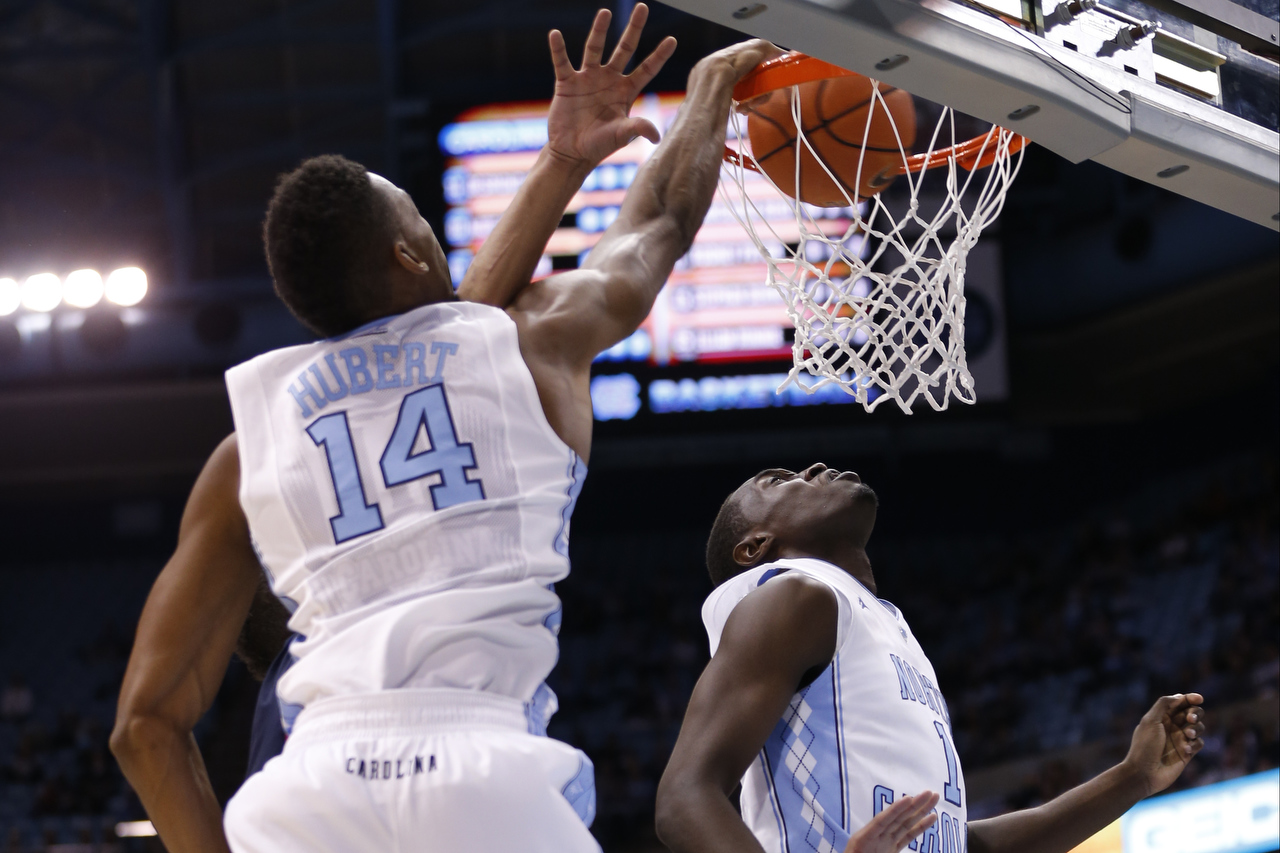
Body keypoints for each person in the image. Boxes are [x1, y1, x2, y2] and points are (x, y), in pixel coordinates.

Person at [109, 6, 783, 850]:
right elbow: (657, 227)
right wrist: (715, 83)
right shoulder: (526, 341)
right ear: (407, 253)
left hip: (310, 785)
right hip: (483, 770)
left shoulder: (246, 450)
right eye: (421, 220)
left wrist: (560, 161)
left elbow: (143, 727)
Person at [655, 463, 1208, 853]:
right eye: (780, 481)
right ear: (755, 547)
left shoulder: (883, 625)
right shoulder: (793, 596)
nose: (815, 466)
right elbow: (684, 798)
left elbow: (959, 845)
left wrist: (1131, 779)